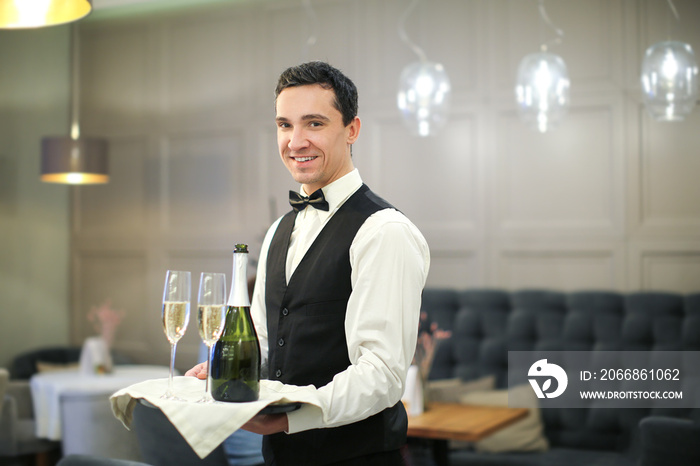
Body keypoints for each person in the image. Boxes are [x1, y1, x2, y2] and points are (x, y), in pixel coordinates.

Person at [187, 61, 430, 466]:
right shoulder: (279, 230)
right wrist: (224, 372)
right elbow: (264, 345)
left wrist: (288, 420)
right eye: (284, 125)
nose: (295, 141)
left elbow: (383, 376)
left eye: (314, 124)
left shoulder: (384, 231)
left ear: (352, 130)